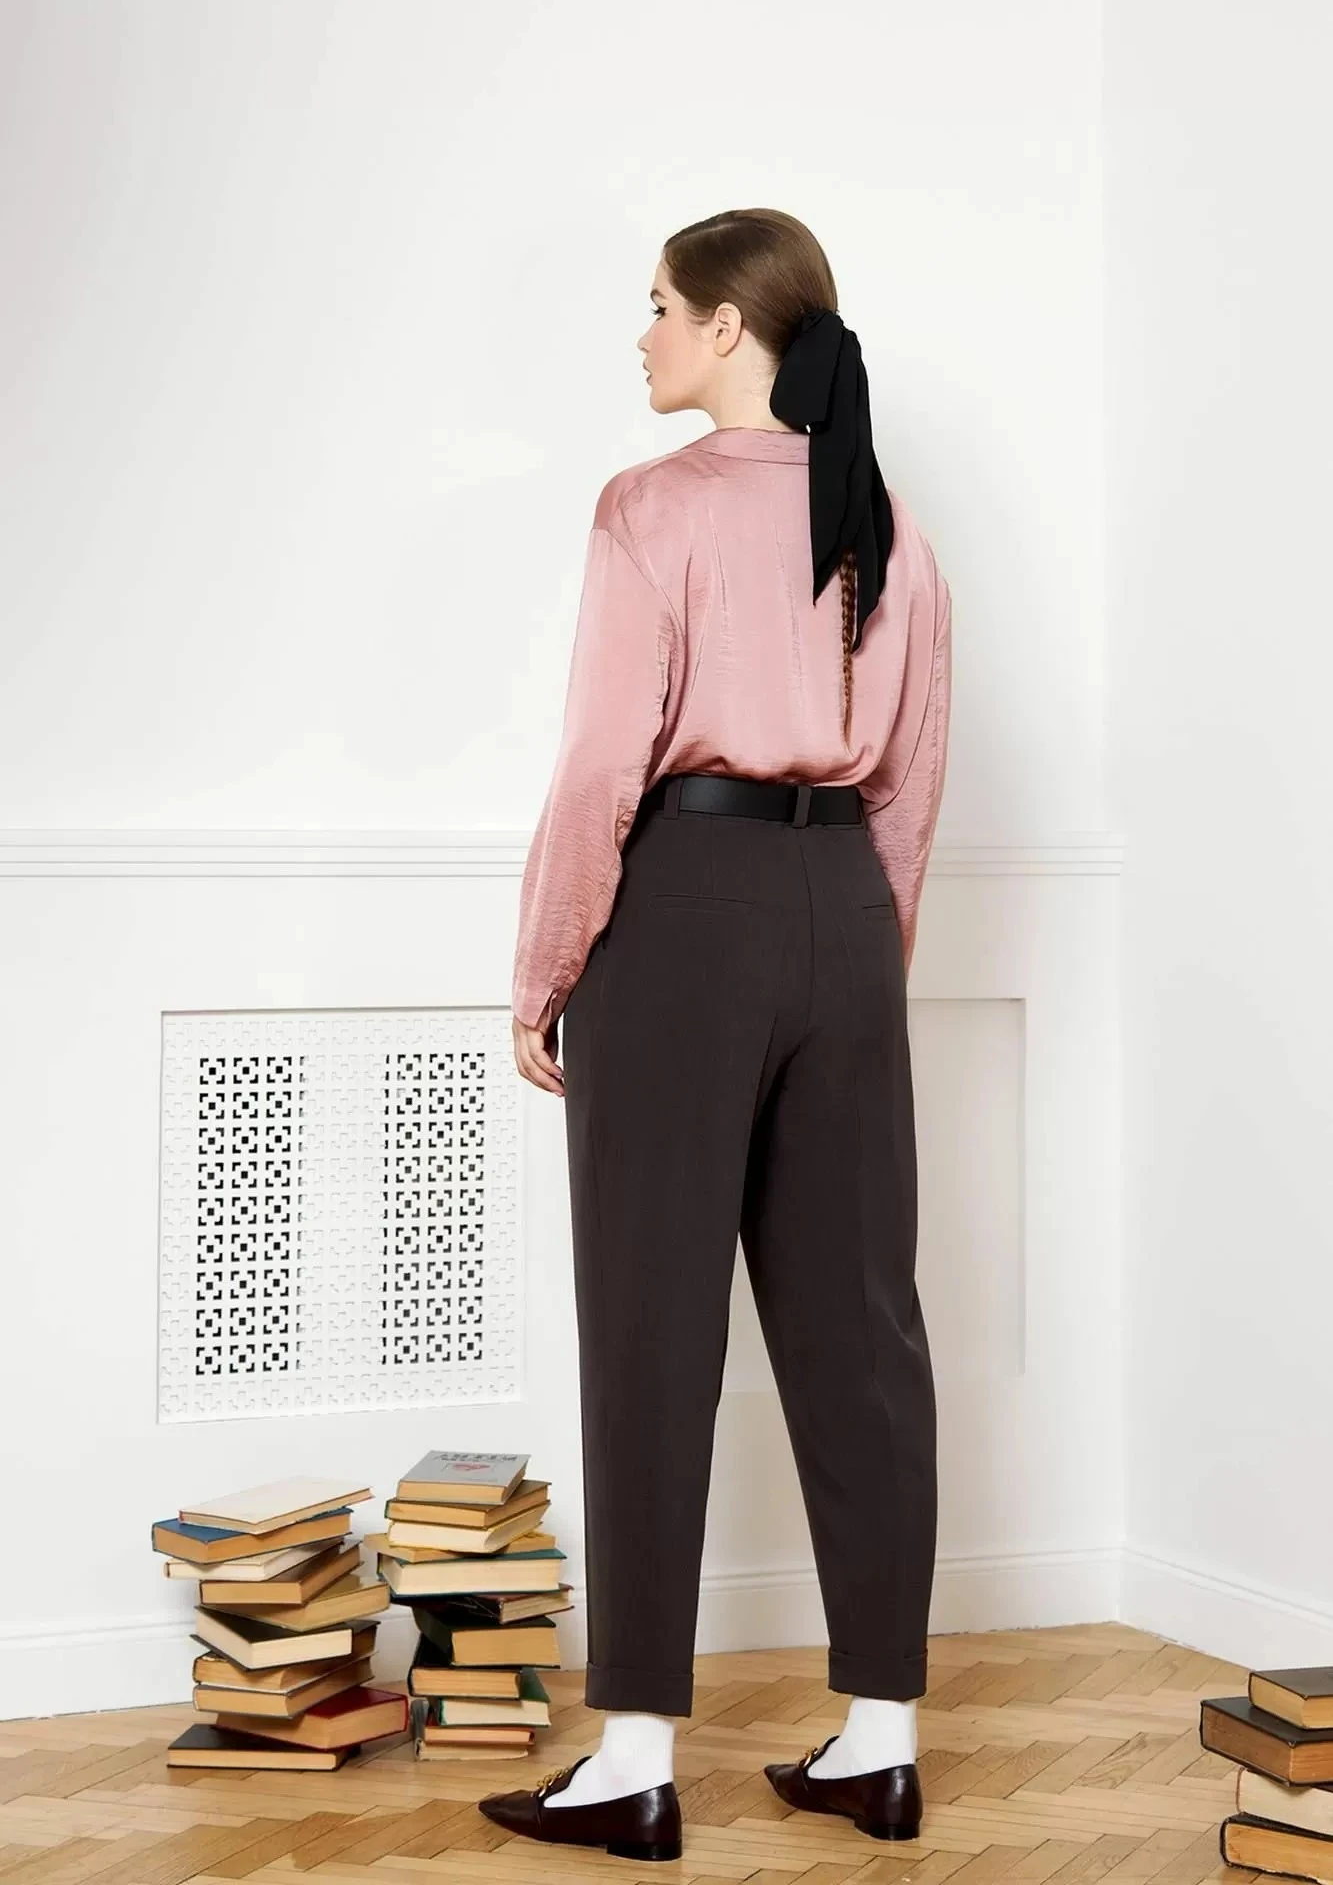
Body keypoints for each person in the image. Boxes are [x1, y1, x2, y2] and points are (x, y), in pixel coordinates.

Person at [481, 208, 953, 1863]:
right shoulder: (882, 514)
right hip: (844, 918)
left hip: (682, 908)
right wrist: (860, 967)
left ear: (734, 330)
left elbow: (603, 759)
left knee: (651, 1322)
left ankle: (633, 1763)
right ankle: (882, 1745)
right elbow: (912, 778)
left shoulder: (653, 508)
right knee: (864, 1331)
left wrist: (544, 966)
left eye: (662, 308)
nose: (645, 336)